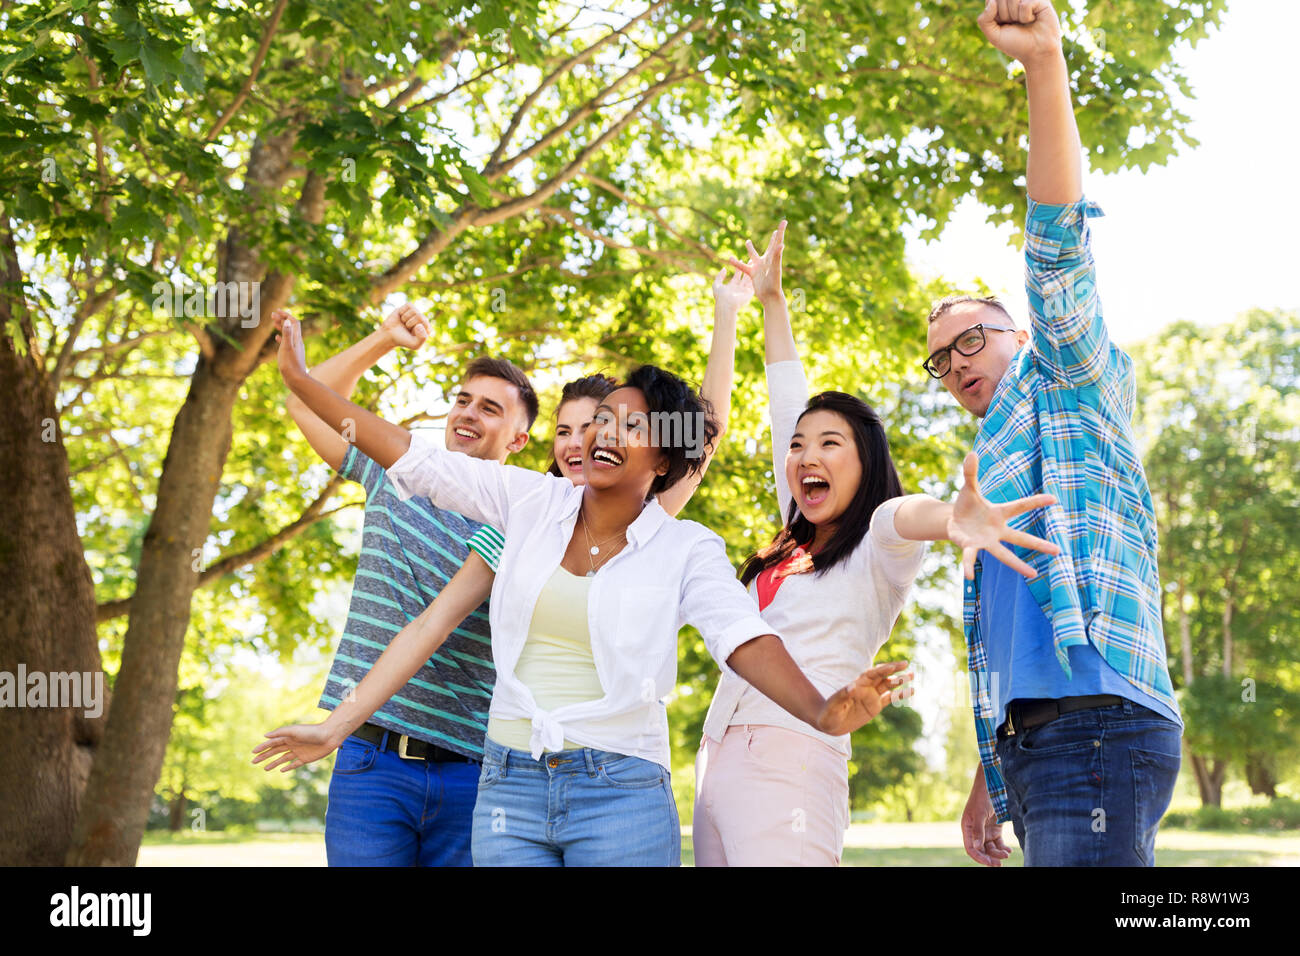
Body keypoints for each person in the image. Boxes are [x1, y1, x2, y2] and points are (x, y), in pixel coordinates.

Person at [267, 311, 915, 866]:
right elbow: (412, 456)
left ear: (663, 459)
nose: (606, 433)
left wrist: (823, 712)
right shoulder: (530, 503)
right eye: (604, 419)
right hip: (511, 789)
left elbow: (741, 638)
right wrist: (300, 381)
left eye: (631, 426)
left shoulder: (683, 545)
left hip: (622, 791)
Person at [255, 267, 752, 793]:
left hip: (564, 768)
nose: (584, 441)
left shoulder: (639, 526)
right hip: (450, 764)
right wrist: (366, 345)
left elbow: (702, 439)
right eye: (568, 431)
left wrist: (728, 314)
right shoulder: (518, 513)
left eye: (600, 426)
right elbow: (430, 625)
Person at [694, 222, 1061, 866]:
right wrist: (771, 303)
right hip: (716, 758)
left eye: (829, 444)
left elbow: (910, 516)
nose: (805, 455)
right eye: (799, 447)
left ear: (865, 462)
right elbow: (787, 400)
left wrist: (956, 518)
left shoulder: (877, 536)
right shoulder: (793, 531)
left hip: (792, 760)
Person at [925, 0, 1183, 867]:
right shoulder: (984, 480)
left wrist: (1043, 64)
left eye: (972, 338)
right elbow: (1014, 636)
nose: (957, 361)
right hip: (1035, 742)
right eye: (939, 359)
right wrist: (985, 779)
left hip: (1101, 726)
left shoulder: (1071, 382)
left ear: (1022, 336)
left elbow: (1058, 249)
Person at [270, 303, 538, 867]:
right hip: (372, 761)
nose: (468, 413)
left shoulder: (529, 517)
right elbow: (305, 400)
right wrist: (384, 339)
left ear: (518, 440)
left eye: (490, 409)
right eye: (463, 399)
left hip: (472, 771)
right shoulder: (399, 474)